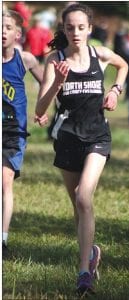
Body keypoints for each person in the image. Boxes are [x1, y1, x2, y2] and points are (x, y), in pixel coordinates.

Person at [35, 3, 128, 296]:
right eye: (70, 27)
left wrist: (115, 90)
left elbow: (123, 65)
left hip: (97, 136)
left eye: (81, 27)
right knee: (78, 206)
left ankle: (83, 271)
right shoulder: (55, 60)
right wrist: (58, 83)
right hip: (67, 138)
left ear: (90, 28)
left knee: (84, 196)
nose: (75, 32)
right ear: (63, 28)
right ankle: (91, 252)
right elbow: (40, 108)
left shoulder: (98, 54)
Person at [2, 10, 46, 257]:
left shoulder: (25, 59)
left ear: (17, 34)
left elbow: (46, 83)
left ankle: (3, 239)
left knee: (4, 181)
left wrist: (42, 108)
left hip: (13, 132)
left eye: (7, 27)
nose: (2, 31)